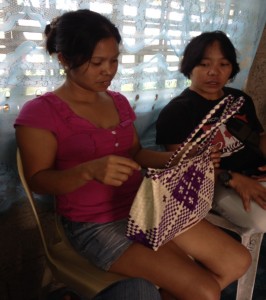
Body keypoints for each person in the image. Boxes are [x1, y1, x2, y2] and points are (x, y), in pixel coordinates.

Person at [14, 12, 250, 300]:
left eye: (114, 60)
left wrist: (186, 157)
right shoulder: (39, 113)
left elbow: (136, 154)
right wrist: (88, 171)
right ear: (64, 59)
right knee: (206, 291)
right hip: (95, 223)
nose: (108, 71)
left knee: (238, 261)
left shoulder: (117, 101)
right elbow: (38, 181)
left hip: (146, 206)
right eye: (97, 62)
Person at [156, 30, 266, 233]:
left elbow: (260, 138)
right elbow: (181, 168)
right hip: (215, 184)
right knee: (263, 220)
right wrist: (231, 178)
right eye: (204, 64)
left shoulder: (240, 99)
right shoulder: (176, 111)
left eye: (223, 64)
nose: (214, 72)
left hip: (257, 174)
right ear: (189, 66)